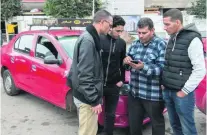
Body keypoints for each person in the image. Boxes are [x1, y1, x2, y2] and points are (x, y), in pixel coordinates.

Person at [68, 10, 113, 135]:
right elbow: (85, 74)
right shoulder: (88, 40)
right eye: (110, 25)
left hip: (84, 95)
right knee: (88, 132)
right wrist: (93, 99)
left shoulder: (90, 37)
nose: (110, 28)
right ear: (102, 22)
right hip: (86, 98)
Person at [161, 8, 206, 135]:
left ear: (178, 22)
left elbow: (200, 70)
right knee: (175, 125)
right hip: (169, 90)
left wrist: (184, 91)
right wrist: (164, 84)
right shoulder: (172, 38)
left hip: (182, 94)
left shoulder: (192, 39)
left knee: (187, 127)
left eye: (167, 24)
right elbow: (169, 64)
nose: (164, 28)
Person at [123, 17, 166, 135]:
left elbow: (163, 69)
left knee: (157, 125)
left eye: (144, 33)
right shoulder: (135, 44)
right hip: (135, 93)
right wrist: (126, 61)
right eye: (139, 33)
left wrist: (144, 67)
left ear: (152, 31)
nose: (141, 36)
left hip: (152, 95)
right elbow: (127, 61)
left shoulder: (160, 44)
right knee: (134, 126)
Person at [99, 15, 126, 135]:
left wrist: (122, 80)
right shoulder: (99, 39)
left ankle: (108, 133)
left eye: (121, 31)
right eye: (117, 30)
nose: (119, 33)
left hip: (114, 84)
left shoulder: (122, 43)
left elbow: (123, 63)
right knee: (94, 111)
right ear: (110, 27)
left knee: (110, 113)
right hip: (98, 84)